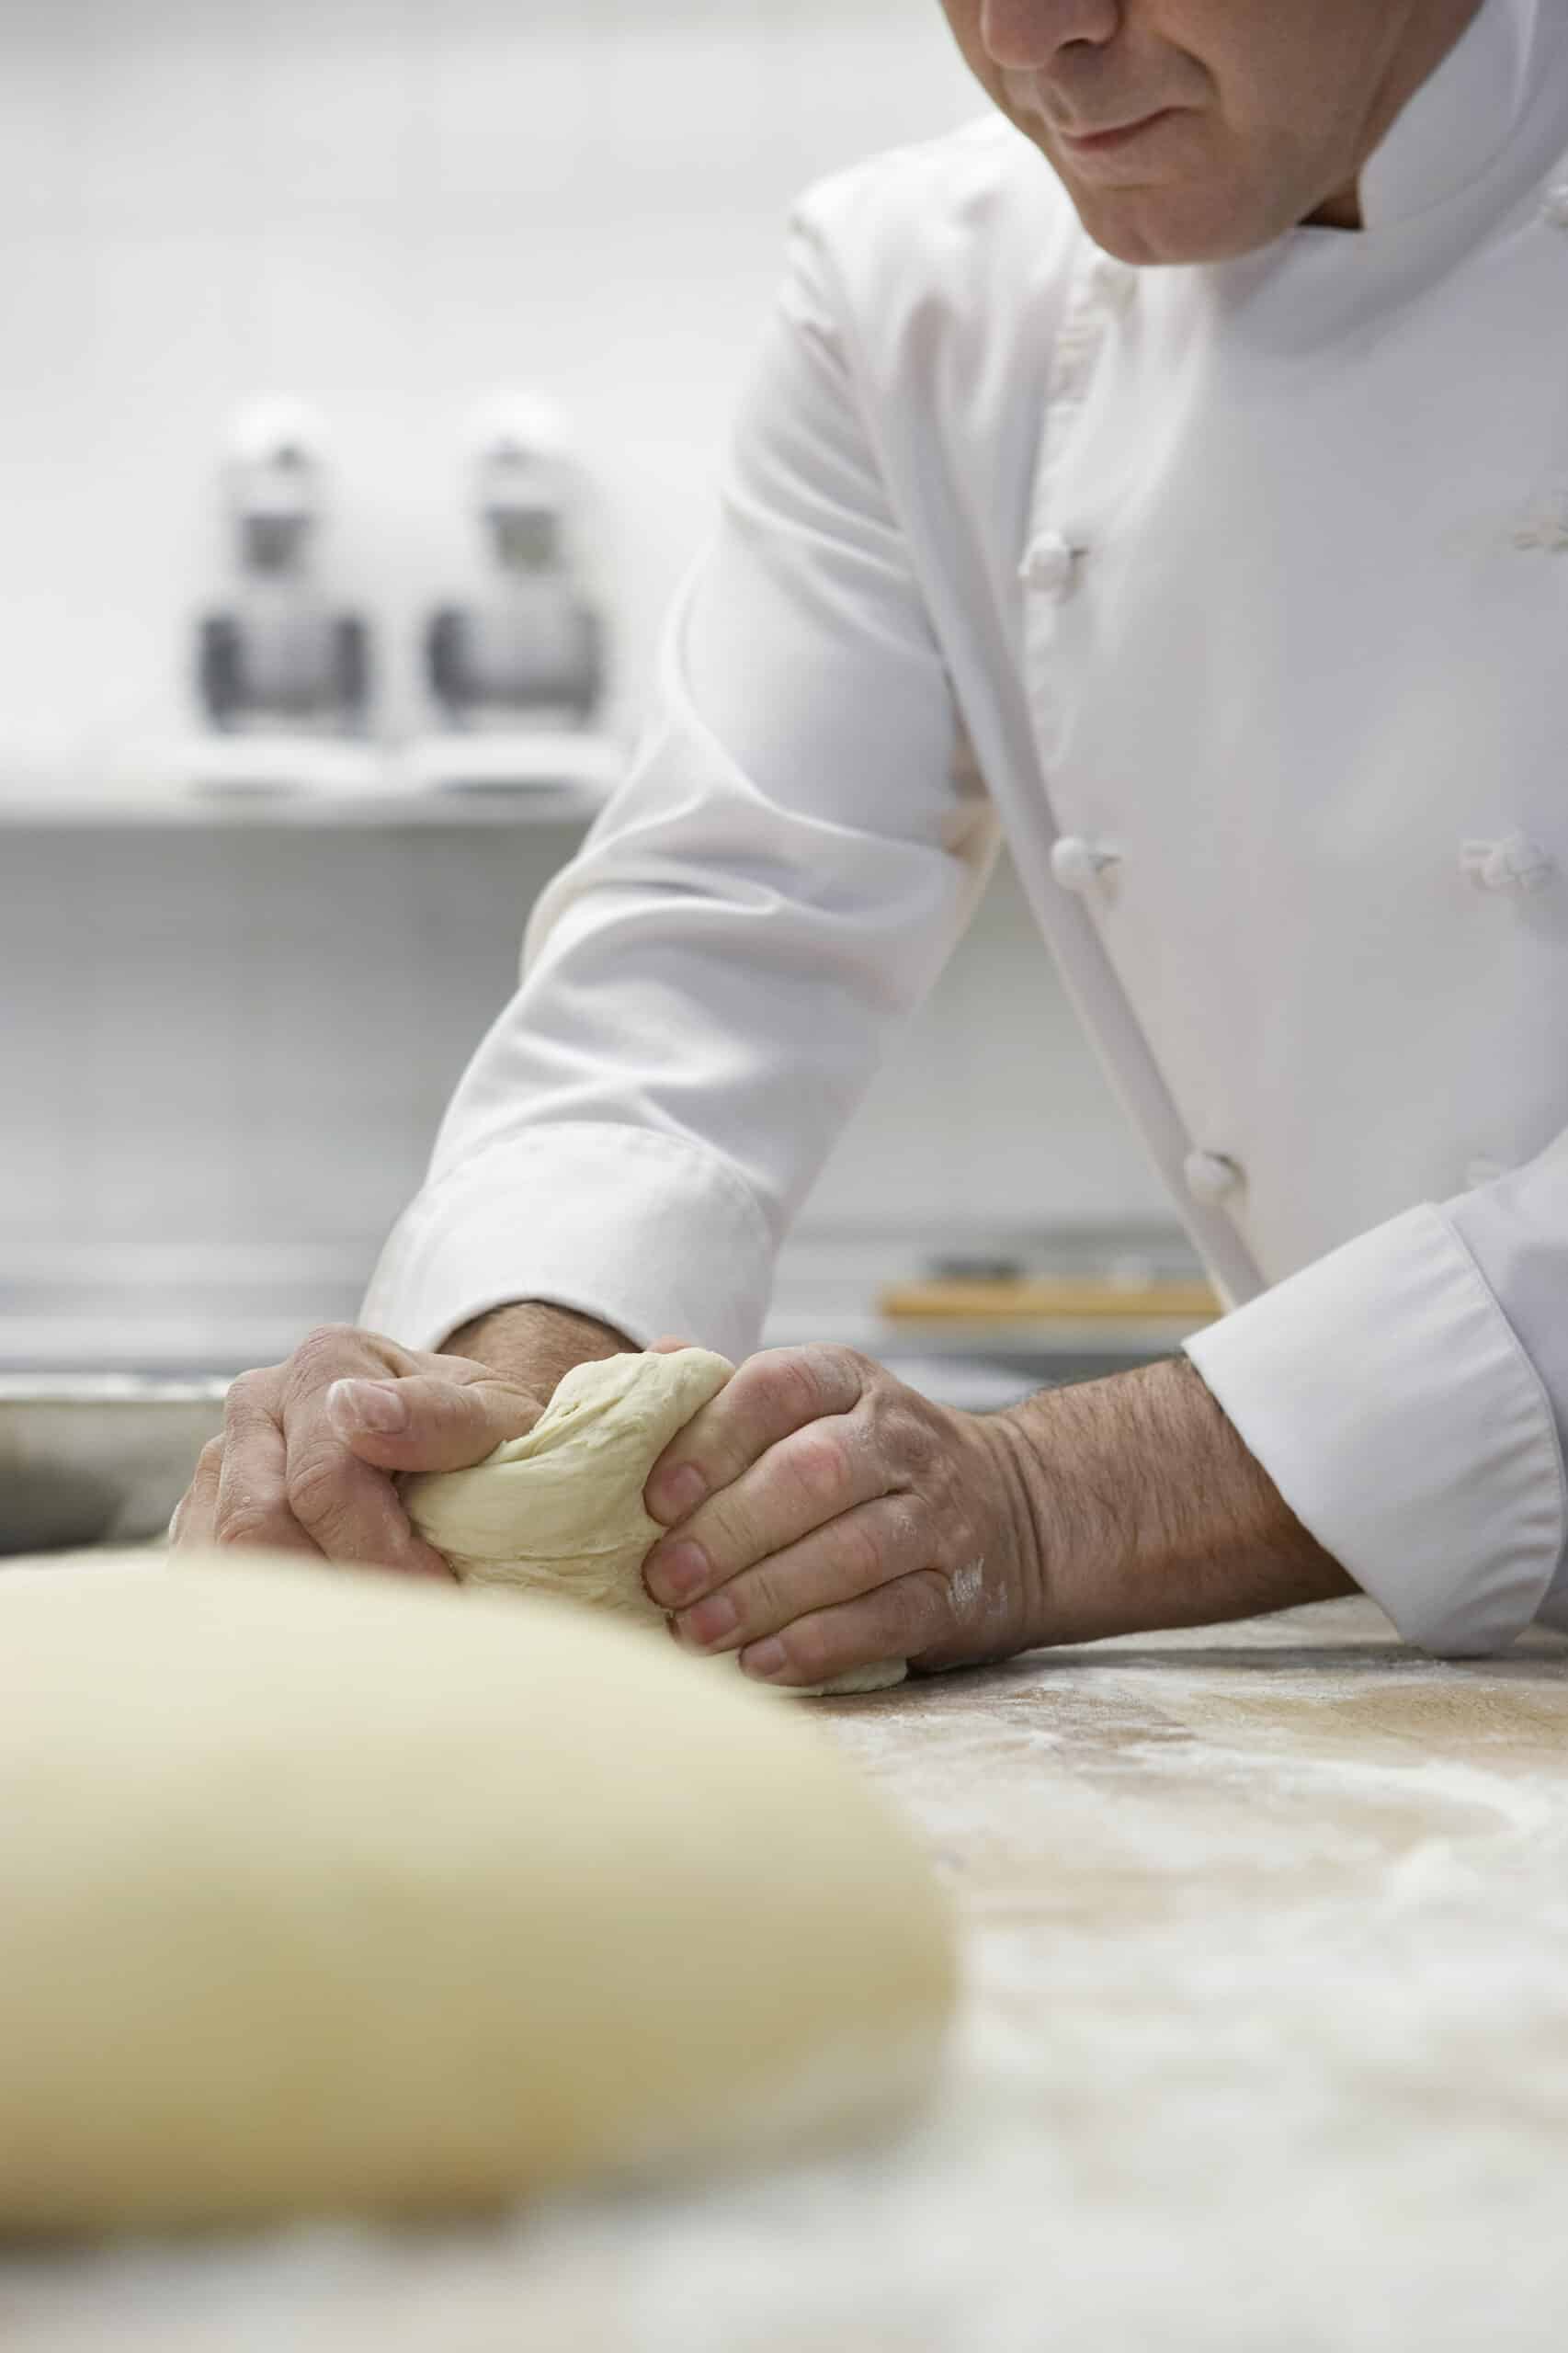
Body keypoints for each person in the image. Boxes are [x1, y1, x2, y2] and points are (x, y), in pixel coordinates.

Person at [175, 0, 1568, 1678]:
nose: (1031, 32)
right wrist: (512, 1390)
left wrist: (1060, 1503)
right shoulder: (924, 285)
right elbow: (723, 920)